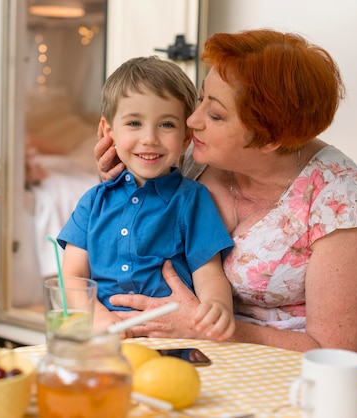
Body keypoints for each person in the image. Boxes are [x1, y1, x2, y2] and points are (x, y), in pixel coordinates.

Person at [94, 30, 357, 370]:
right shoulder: (190, 156)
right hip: (192, 360)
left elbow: (337, 354)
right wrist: (120, 179)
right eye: (201, 98)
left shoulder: (340, 200)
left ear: (270, 138)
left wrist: (207, 330)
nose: (192, 121)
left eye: (216, 115)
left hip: (294, 380)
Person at [57, 56, 236, 341]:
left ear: (186, 137)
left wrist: (217, 306)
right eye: (134, 123)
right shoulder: (93, 202)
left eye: (166, 124)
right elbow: (73, 277)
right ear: (108, 132)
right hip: (105, 339)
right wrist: (99, 318)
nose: (150, 138)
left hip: (170, 338)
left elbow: (209, 272)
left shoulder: (192, 200)